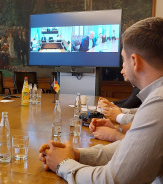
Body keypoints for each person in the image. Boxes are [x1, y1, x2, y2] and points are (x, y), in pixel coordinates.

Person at [39, 17, 163, 183]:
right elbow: (132, 149)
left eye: (123, 59)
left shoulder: (159, 102)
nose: (122, 68)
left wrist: (62, 164)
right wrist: (76, 154)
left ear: (134, 61)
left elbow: (112, 180)